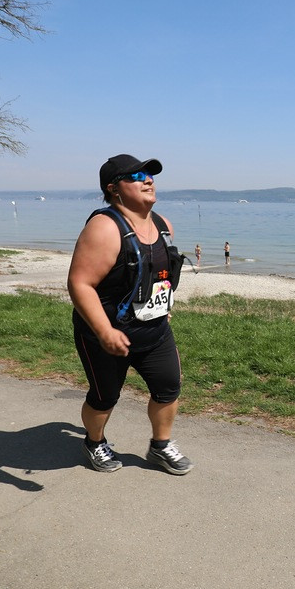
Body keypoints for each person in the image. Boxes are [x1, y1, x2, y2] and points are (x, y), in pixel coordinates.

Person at [67, 153, 192, 476]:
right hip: (104, 335)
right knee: (104, 396)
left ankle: (160, 446)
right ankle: (95, 442)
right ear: (114, 189)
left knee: (169, 387)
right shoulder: (104, 228)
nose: (148, 180)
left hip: (154, 330)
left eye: (149, 175)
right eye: (136, 177)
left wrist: (163, 308)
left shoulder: (164, 226)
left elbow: (156, 275)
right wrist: (105, 331)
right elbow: (80, 283)